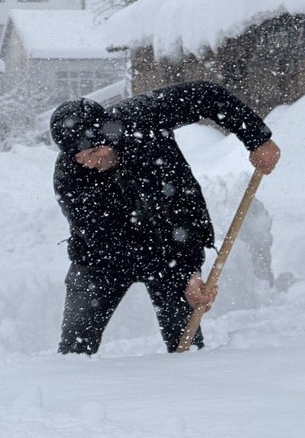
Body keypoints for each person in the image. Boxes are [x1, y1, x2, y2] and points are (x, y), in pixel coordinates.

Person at [51, 80, 280, 355]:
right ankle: (72, 387)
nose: (90, 162)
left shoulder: (142, 118)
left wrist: (258, 139)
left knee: (186, 347)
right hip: (102, 259)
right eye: (80, 157)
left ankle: (187, 392)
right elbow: (108, 243)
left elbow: (206, 95)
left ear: (108, 135)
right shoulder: (70, 178)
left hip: (171, 245)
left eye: (94, 151)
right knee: (75, 348)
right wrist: (182, 275)